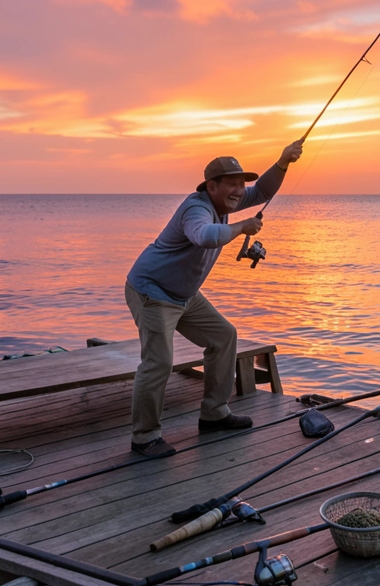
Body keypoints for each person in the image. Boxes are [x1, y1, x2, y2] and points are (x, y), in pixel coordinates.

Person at [123, 140, 304, 457]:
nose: (239, 191)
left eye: (241, 184)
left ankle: (214, 414)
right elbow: (205, 237)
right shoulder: (197, 208)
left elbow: (262, 191)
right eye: (232, 184)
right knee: (159, 362)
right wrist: (243, 226)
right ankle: (145, 438)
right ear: (212, 185)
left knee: (224, 336)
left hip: (185, 295)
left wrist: (283, 162)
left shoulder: (225, 203)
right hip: (151, 291)